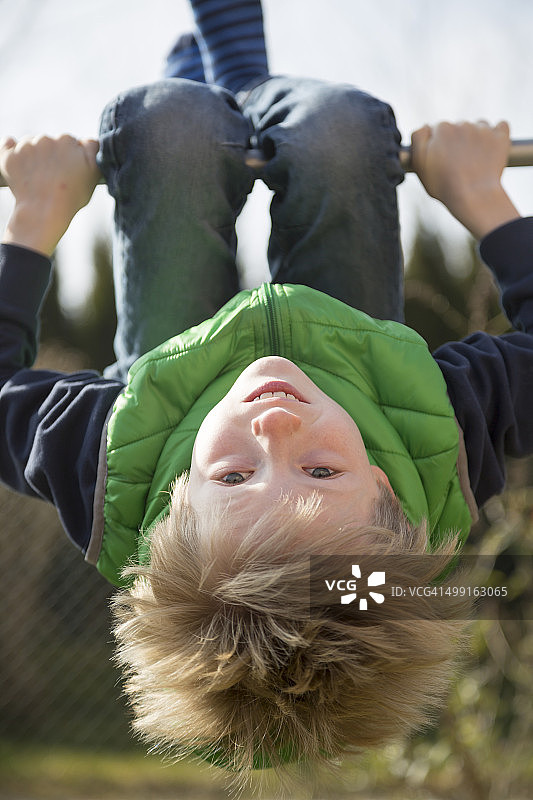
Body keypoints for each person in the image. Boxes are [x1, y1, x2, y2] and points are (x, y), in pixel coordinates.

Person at [1, 0, 533, 784]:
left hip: (171, 365)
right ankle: (237, 82)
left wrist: (35, 218)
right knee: (343, 130)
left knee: (165, 126)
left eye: (233, 478)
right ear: (388, 493)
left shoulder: (107, 461)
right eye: (322, 474)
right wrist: (480, 198)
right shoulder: (440, 434)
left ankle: (203, 105)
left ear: (174, 502)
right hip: (349, 344)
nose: (277, 430)